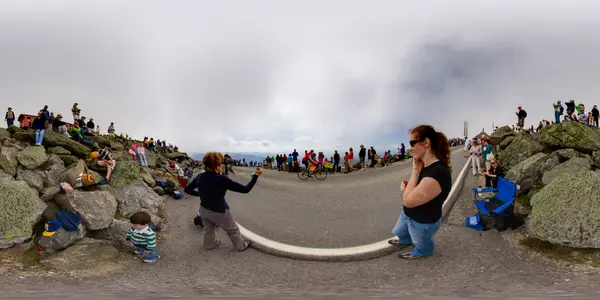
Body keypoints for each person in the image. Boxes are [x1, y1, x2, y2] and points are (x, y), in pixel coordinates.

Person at [389, 125, 452, 259]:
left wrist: (415, 171)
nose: (410, 148)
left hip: (422, 222)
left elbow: (408, 201)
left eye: (412, 143)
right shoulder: (424, 165)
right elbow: (416, 189)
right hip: (408, 216)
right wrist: (409, 186)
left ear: (426, 142)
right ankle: (407, 240)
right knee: (398, 232)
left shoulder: (438, 172)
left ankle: (424, 250)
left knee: (420, 242)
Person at [184, 152, 261, 251]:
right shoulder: (222, 179)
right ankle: (241, 246)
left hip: (203, 209)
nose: (222, 166)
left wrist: (200, 194)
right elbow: (245, 190)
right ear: (216, 166)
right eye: (220, 164)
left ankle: (209, 244)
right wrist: (255, 177)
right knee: (233, 229)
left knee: (208, 228)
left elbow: (188, 189)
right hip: (219, 211)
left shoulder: (200, 176)